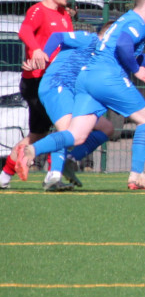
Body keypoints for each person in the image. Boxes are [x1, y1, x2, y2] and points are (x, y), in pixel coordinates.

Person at [19, 0, 145, 192]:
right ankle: (137, 175)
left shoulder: (125, 21)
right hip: (107, 77)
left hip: (88, 78)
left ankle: (32, 151)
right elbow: (124, 47)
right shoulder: (138, 24)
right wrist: (136, 70)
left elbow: (131, 55)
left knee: (76, 135)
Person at [0, 0, 73, 189]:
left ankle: (4, 175)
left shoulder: (64, 15)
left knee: (37, 135)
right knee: (65, 127)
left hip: (56, 81)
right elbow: (25, 31)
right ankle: (54, 173)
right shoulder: (38, 11)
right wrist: (37, 50)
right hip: (38, 81)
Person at [26, 27, 118, 192]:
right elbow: (57, 36)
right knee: (67, 130)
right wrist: (43, 59)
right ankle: (52, 175)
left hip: (74, 94)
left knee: (106, 128)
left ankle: (69, 160)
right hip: (57, 84)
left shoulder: (104, 55)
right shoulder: (89, 39)